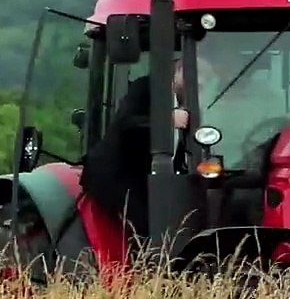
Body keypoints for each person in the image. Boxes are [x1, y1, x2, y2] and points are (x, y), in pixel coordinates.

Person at [79, 54, 204, 246]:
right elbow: (126, 125)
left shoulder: (188, 101)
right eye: (197, 77)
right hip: (119, 173)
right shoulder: (146, 87)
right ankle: (145, 267)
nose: (200, 84)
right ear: (179, 71)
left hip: (155, 174)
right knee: (148, 225)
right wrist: (167, 119)